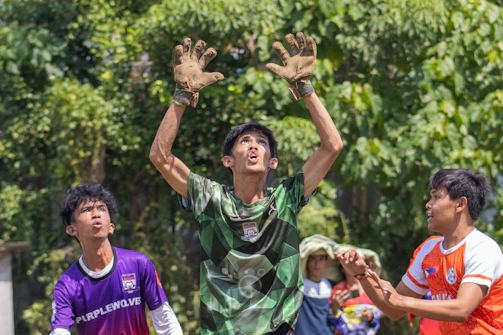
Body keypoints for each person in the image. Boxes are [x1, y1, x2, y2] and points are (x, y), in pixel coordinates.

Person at [149, 32, 344, 335]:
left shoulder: (286, 199)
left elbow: (332, 146)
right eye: (245, 141)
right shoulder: (210, 199)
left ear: (272, 162)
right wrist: (182, 95)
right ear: (228, 160)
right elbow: (161, 157)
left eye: (262, 143)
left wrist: (304, 87)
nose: (254, 146)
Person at [336, 169, 503, 334]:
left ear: (460, 204)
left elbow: (461, 309)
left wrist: (400, 300)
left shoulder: (483, 249)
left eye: (436, 197)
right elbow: (393, 310)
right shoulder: (428, 250)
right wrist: (362, 275)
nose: (428, 204)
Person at [49, 183, 183, 335]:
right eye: (87, 210)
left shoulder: (138, 264)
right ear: (71, 230)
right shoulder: (66, 285)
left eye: (101, 209)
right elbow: (59, 330)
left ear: (111, 226)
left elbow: (165, 320)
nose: (96, 214)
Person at [329, 261, 381, 335]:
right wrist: (334, 309)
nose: (354, 266)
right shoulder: (337, 291)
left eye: (357, 262)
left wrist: (371, 316)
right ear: (342, 268)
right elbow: (332, 320)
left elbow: (380, 314)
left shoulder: (372, 289)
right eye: (349, 263)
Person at [294, 249, 334, 335]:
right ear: (307, 262)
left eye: (321, 259)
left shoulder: (329, 285)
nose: (317, 264)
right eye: (313, 259)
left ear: (326, 262)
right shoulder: (299, 286)